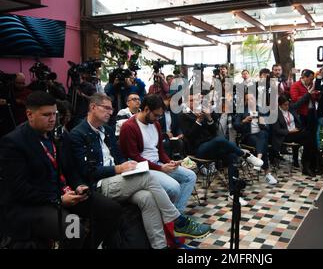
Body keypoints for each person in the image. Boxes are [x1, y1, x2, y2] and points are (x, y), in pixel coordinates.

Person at [69, 93, 211, 248]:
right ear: (93, 107)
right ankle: (177, 221)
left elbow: (120, 156)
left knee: (147, 198)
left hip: (119, 177)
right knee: (148, 177)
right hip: (100, 183)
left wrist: (128, 167)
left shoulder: (107, 130)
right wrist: (120, 168)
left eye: (112, 108)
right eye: (107, 108)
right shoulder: (78, 134)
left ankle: (160, 246)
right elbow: (86, 171)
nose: (111, 112)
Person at [0, 91, 122, 249]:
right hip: (34, 204)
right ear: (29, 114)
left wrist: (78, 185)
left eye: (54, 113)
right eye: (46, 115)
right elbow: (20, 189)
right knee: (74, 228)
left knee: (112, 210)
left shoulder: (58, 135)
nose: (52, 119)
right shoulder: (13, 143)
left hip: (65, 193)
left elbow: (70, 169)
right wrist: (58, 199)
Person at [178, 94, 264, 206]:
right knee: (220, 140)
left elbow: (214, 131)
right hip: (198, 149)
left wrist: (209, 118)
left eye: (196, 99)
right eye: (191, 100)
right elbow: (190, 136)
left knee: (231, 156)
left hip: (212, 146)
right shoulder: (184, 116)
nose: (194, 102)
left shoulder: (205, 112)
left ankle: (233, 194)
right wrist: (198, 121)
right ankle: (245, 155)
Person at [119, 95, 196, 213]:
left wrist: (169, 162)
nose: (158, 118)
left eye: (160, 116)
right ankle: (173, 217)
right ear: (146, 109)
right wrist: (160, 168)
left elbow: (160, 150)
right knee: (173, 187)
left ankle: (175, 216)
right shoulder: (129, 126)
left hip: (157, 164)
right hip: (142, 169)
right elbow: (134, 157)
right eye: (156, 115)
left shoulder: (156, 124)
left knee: (190, 176)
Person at [233, 93, 277, 185]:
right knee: (262, 141)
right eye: (248, 100)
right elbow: (236, 126)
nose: (250, 101)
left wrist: (263, 123)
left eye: (252, 99)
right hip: (248, 136)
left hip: (260, 135)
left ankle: (258, 159)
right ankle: (267, 173)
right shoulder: (242, 111)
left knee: (263, 134)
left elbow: (268, 128)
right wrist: (244, 121)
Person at [272, 95, 321, 177]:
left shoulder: (290, 109)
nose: (287, 106)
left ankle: (308, 166)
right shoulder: (275, 114)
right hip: (286, 135)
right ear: (279, 105)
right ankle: (316, 163)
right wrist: (289, 131)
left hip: (296, 132)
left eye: (288, 104)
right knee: (309, 136)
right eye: (285, 105)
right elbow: (277, 130)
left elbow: (299, 103)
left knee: (309, 141)